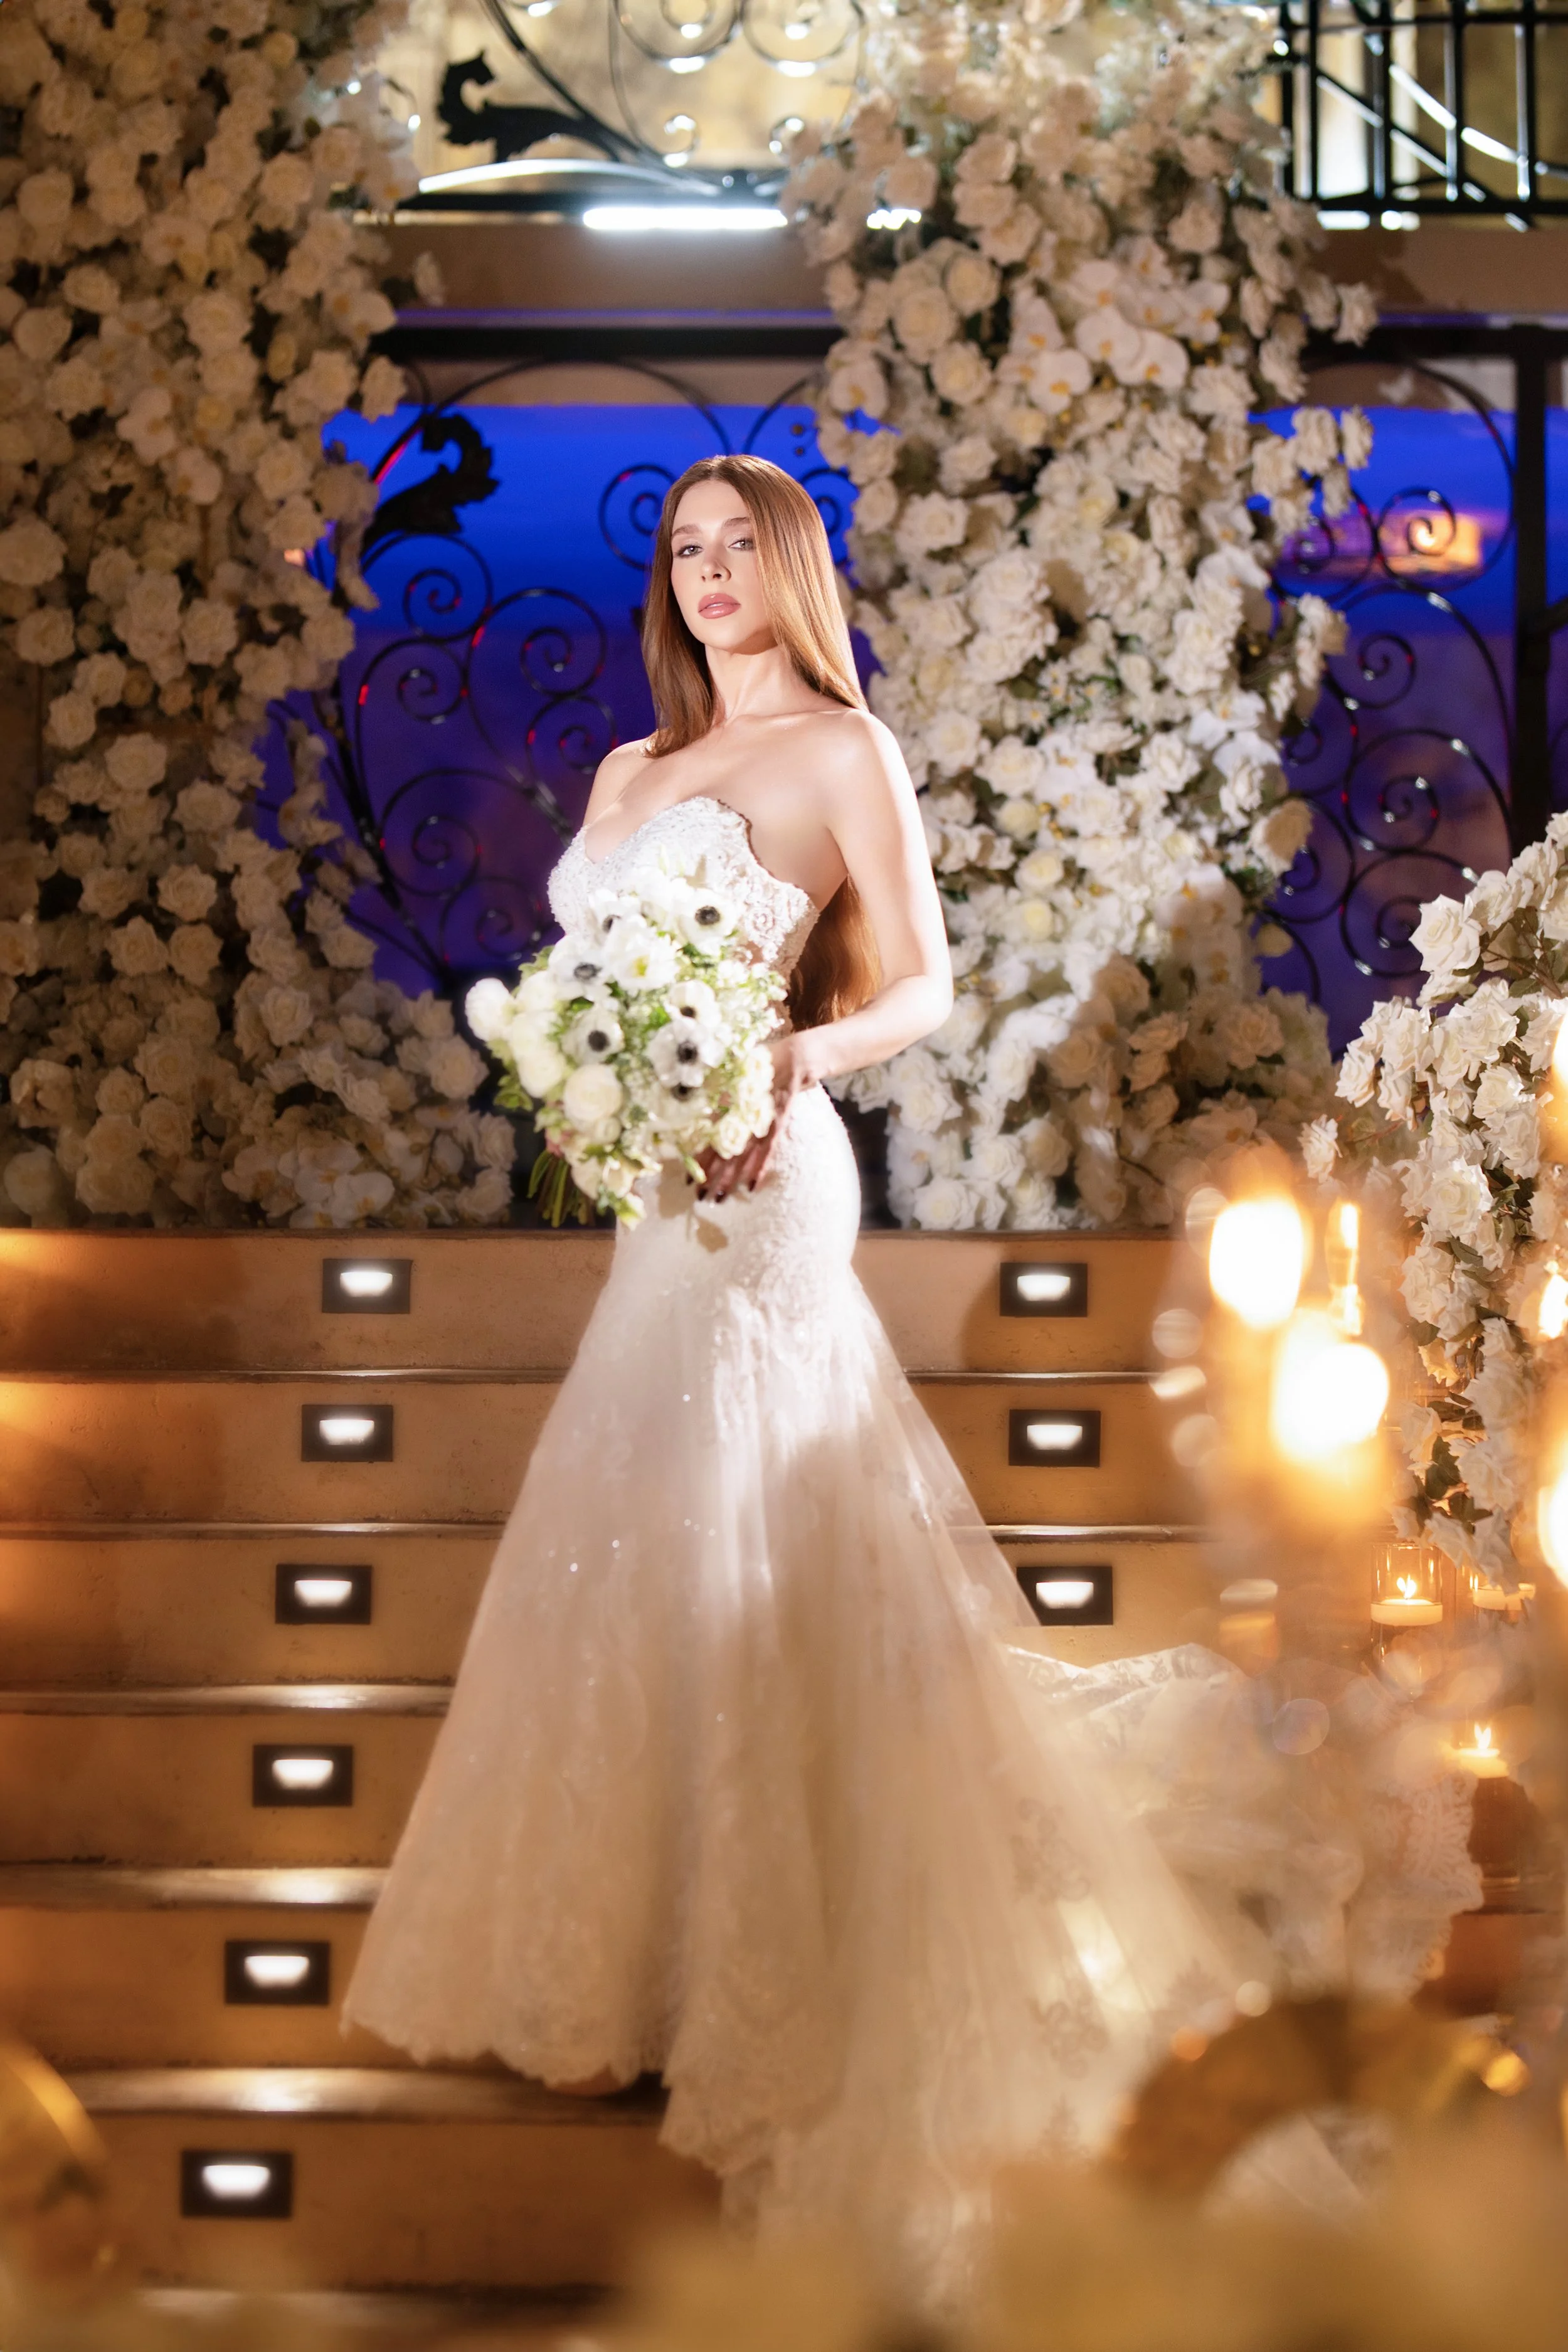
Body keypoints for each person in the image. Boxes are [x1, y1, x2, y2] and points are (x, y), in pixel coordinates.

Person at [341, 457, 1455, 2301]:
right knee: (640, 1531)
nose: (706, 578)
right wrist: (594, 1081)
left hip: (767, 1174)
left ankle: (781, 1945)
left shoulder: (837, 757)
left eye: (735, 548)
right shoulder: (626, 774)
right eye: (681, 552)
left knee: (755, 1515)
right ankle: (646, 1941)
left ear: (789, 569)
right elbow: (594, 976)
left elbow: (923, 983)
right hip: (650, 1188)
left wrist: (784, 1058)